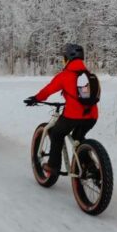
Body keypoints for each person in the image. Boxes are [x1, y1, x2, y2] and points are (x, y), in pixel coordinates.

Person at [24, 43, 98, 177]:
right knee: (78, 137)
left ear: (68, 58)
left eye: (64, 58)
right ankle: (90, 166)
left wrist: (36, 98)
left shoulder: (65, 75)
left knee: (56, 134)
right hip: (92, 116)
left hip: (73, 116)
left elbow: (48, 89)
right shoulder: (90, 76)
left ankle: (53, 166)